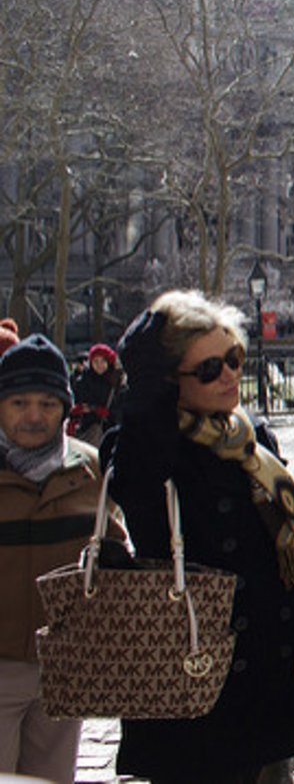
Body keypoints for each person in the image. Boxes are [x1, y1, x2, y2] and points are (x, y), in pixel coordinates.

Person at [102, 291, 294, 782]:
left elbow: (288, 566)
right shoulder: (146, 447)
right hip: (191, 685)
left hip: (268, 678)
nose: (229, 375)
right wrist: (144, 385)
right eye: (209, 369)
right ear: (169, 382)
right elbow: (134, 485)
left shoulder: (252, 441)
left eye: (233, 358)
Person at [0, 333, 124, 783]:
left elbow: (113, 553)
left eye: (47, 404)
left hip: (64, 668)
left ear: (65, 408)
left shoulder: (92, 469)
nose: (34, 416)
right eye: (19, 403)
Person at [68, 343, 123, 445]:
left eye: (103, 361)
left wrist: (108, 413)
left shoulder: (115, 382)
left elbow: (120, 408)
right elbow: (77, 404)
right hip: (87, 428)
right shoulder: (83, 381)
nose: (99, 365)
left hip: (111, 428)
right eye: (96, 361)